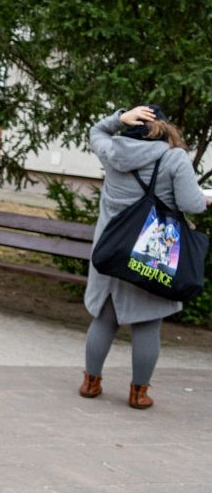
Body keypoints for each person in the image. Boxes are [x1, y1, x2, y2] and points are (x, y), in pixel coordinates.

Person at [81, 104, 210, 408]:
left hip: (111, 252)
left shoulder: (113, 150)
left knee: (104, 318)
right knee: (148, 325)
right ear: (165, 129)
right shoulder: (173, 157)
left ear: (132, 126)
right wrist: (202, 198)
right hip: (152, 254)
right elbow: (191, 204)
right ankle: (139, 393)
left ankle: (91, 383)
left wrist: (118, 117)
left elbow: (95, 131)